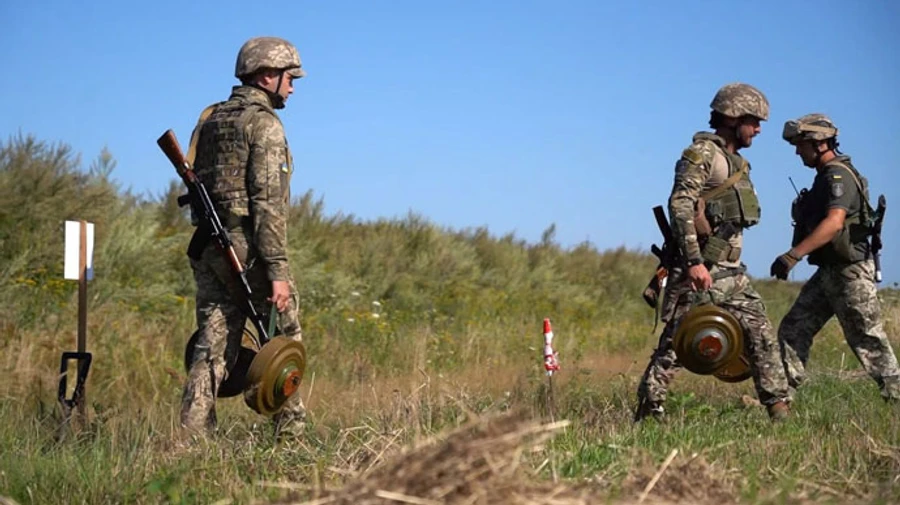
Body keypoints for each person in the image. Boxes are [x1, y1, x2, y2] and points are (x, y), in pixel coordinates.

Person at [635, 83, 791, 422]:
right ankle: (649, 410)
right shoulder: (703, 153)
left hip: (731, 271)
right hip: (702, 267)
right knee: (676, 345)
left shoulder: (734, 161)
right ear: (734, 118)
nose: (759, 128)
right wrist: (693, 262)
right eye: (754, 121)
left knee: (761, 333)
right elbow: (680, 204)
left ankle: (778, 408)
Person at [180, 36, 308, 437]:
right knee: (284, 339)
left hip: (210, 247)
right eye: (289, 77)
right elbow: (267, 203)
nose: (292, 85)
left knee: (212, 347)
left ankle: (191, 438)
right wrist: (277, 271)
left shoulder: (211, 119)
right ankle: (292, 435)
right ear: (268, 76)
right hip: (247, 249)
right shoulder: (264, 125)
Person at [772, 113, 900, 402]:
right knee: (794, 328)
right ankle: (780, 398)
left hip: (849, 272)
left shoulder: (837, 176)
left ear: (818, 144)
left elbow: (834, 223)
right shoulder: (826, 176)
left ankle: (896, 398)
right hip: (830, 271)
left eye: (801, 144)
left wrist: (793, 255)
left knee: (868, 339)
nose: (797, 151)